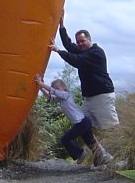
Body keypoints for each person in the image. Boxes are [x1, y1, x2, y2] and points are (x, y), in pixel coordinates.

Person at [49, 15, 117, 163]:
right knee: (84, 127)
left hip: (102, 96)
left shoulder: (96, 53)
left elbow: (76, 60)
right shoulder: (82, 51)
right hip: (88, 98)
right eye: (78, 42)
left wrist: (58, 51)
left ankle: (120, 158)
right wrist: (62, 26)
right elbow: (70, 46)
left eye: (83, 41)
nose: (80, 44)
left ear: (89, 39)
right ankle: (101, 156)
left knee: (110, 128)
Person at [35, 74, 98, 164]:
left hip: (82, 122)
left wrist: (41, 83)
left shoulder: (66, 95)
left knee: (65, 139)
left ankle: (80, 154)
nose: (56, 90)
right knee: (91, 143)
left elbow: (54, 92)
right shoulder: (61, 99)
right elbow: (50, 96)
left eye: (57, 88)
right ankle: (100, 160)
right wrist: (40, 87)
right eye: (54, 88)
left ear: (64, 87)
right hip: (83, 122)